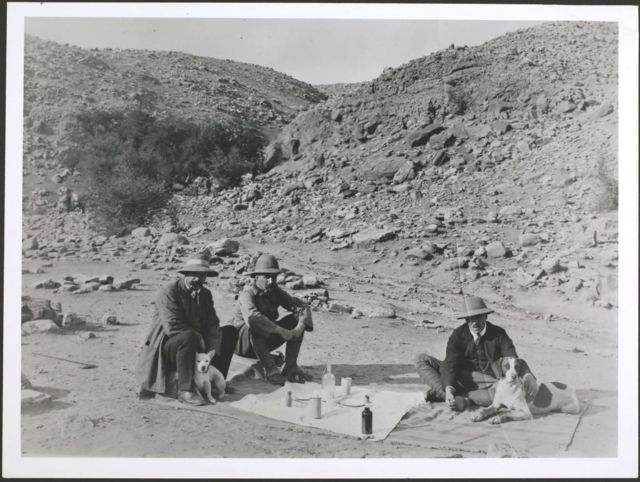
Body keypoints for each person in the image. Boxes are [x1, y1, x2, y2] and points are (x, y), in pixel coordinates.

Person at [135, 254, 238, 405]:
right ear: (185, 274)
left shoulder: (205, 294)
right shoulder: (169, 292)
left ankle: (214, 380)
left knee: (229, 332)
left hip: (195, 345)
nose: (198, 279)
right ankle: (185, 389)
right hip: (169, 348)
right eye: (194, 274)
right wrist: (200, 339)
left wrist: (212, 348)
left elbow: (212, 323)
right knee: (189, 336)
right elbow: (172, 325)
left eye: (202, 275)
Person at [414, 295, 522, 411]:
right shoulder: (458, 335)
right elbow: (450, 363)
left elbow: (511, 358)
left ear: (486, 316)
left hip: (489, 382)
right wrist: (449, 390)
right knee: (421, 359)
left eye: (478, 317)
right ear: (466, 320)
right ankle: (450, 396)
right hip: (460, 377)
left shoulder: (499, 334)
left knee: (504, 391)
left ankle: (453, 396)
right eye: (470, 319)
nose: (474, 323)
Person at [230, 253, 314, 386]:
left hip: (263, 342)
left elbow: (300, 305)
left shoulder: (275, 292)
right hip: (241, 344)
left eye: (274, 277)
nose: (271, 281)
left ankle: (290, 367)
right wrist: (282, 331)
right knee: (256, 325)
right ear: (256, 277)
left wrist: (300, 324)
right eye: (266, 277)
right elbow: (254, 319)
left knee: (295, 318)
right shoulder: (247, 295)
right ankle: (271, 371)